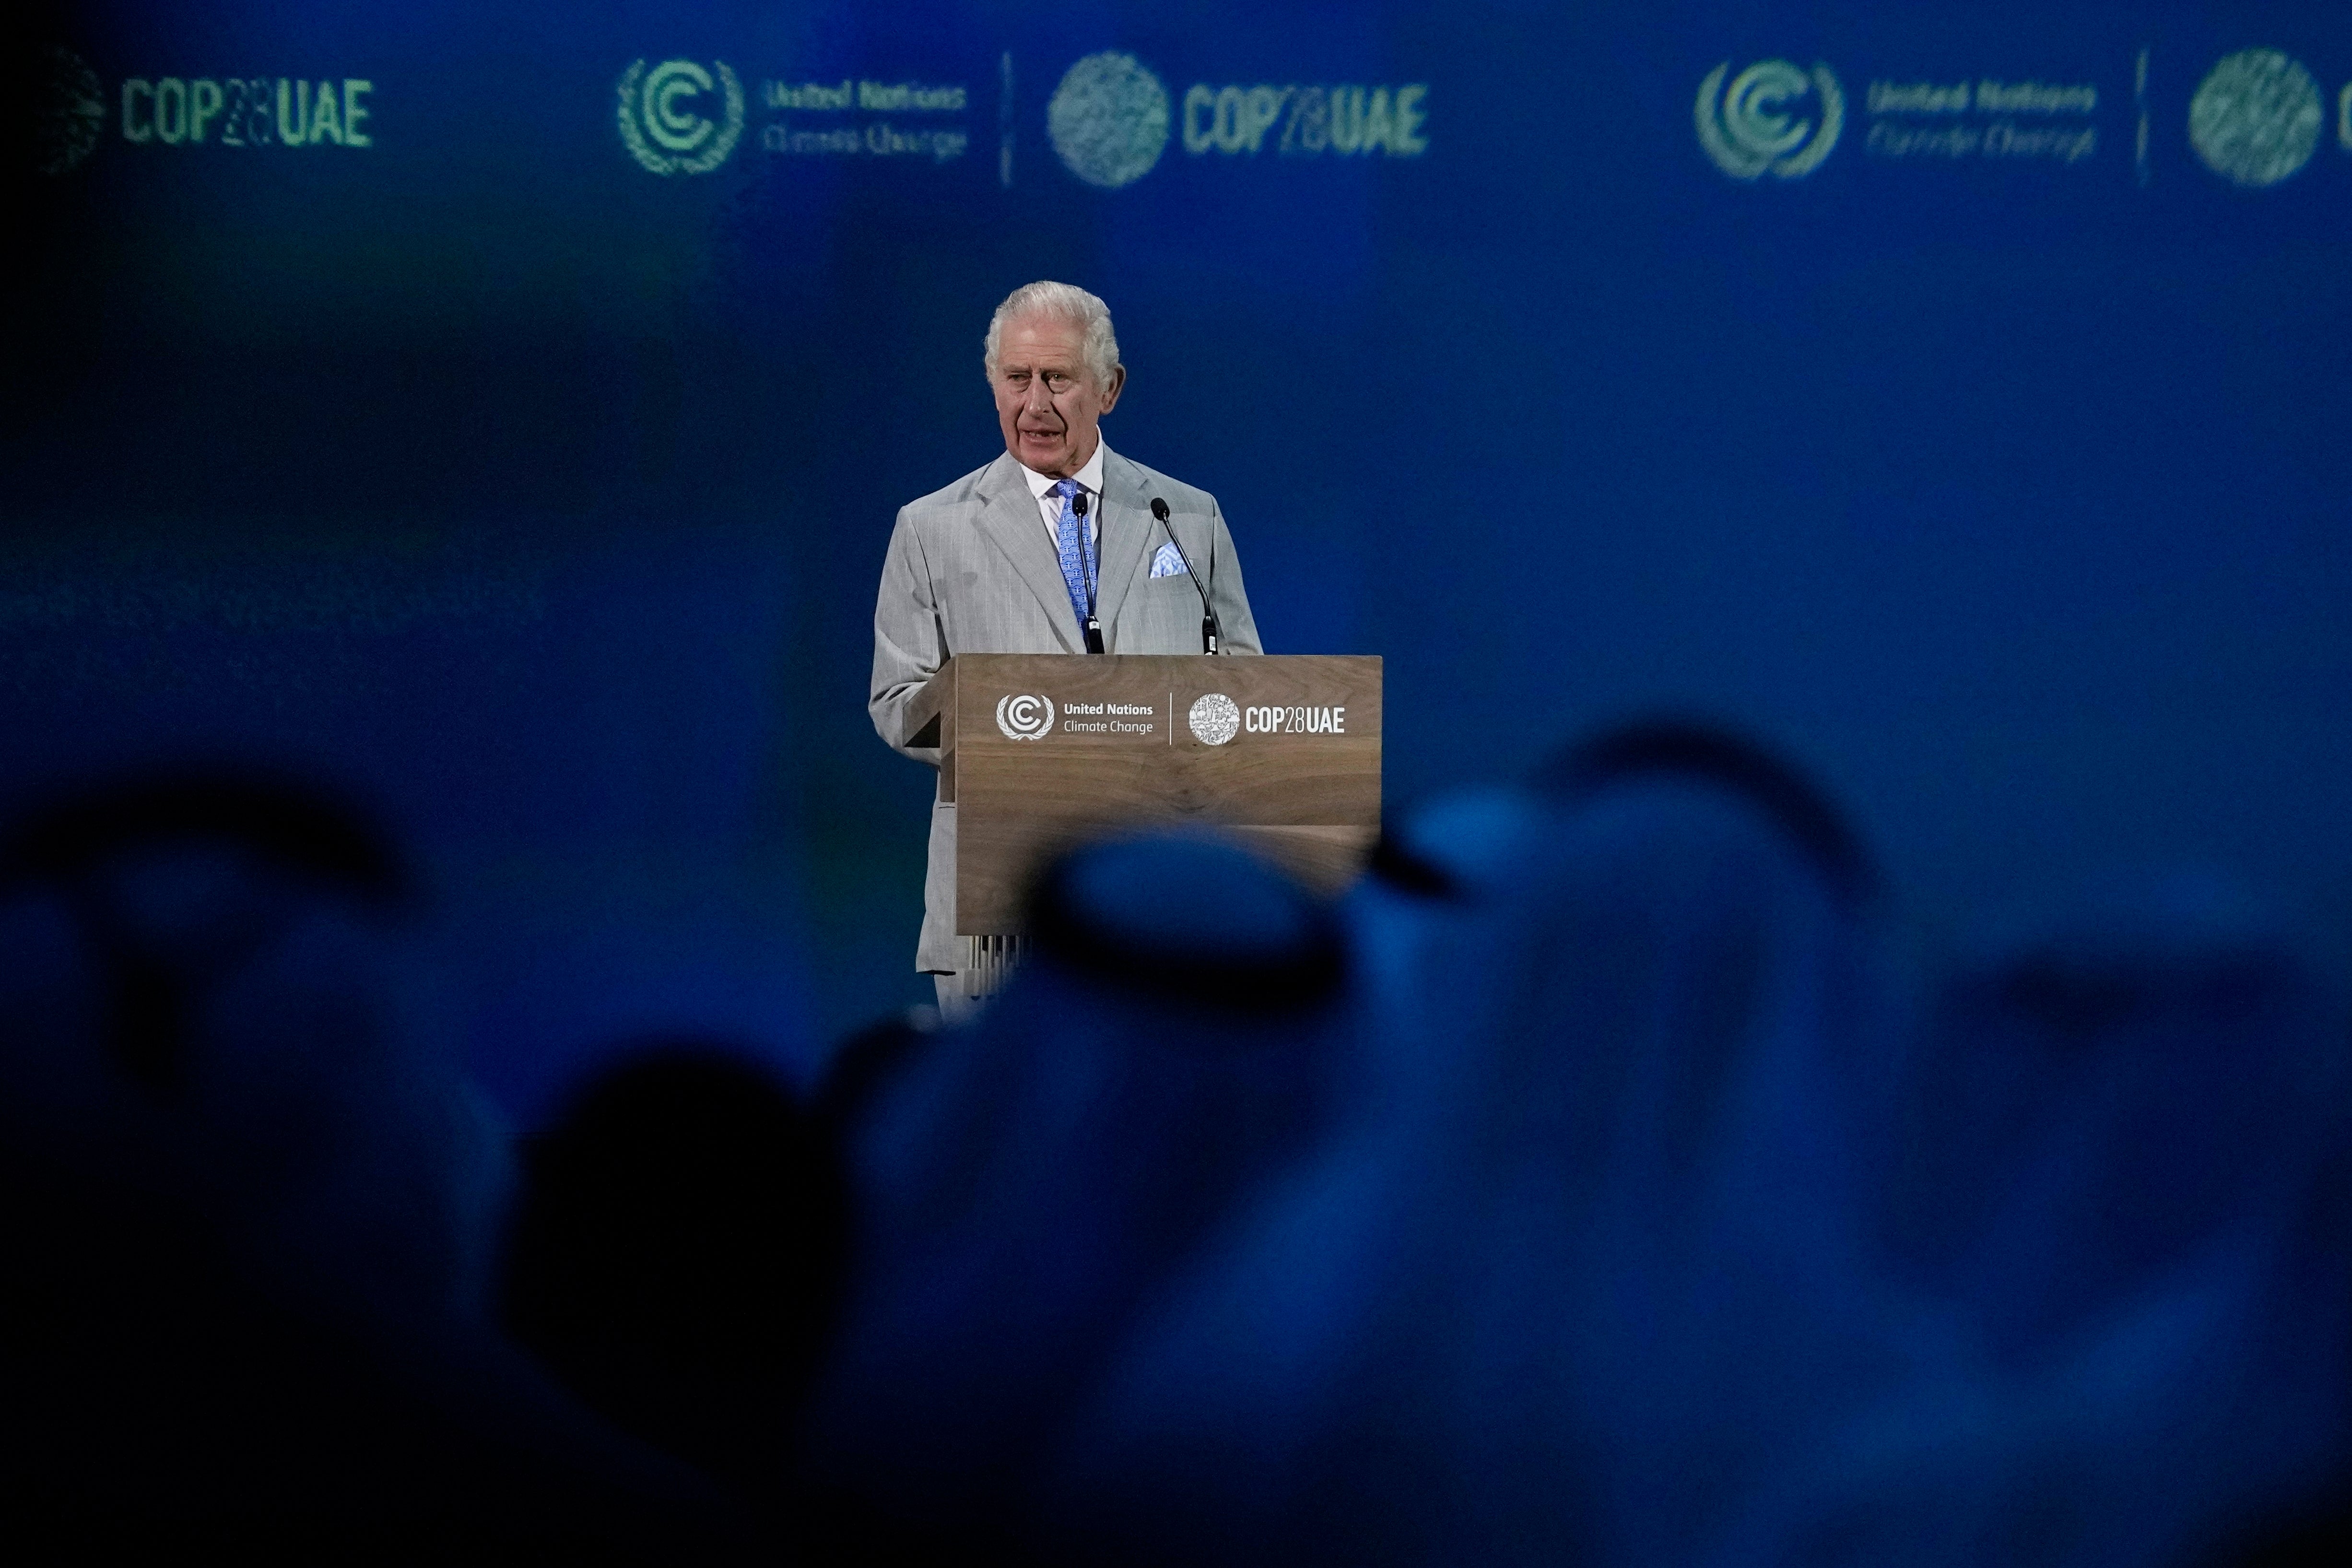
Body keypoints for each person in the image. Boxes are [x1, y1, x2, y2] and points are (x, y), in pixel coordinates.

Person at [869, 281, 1262, 1019]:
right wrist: (1001, 708)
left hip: (1156, 890)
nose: (1035, 403)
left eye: (1059, 379)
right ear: (994, 386)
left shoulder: (1186, 515)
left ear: (1109, 389)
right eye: (1016, 379)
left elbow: (1246, 687)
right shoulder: (931, 528)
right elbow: (896, 705)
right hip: (1000, 904)